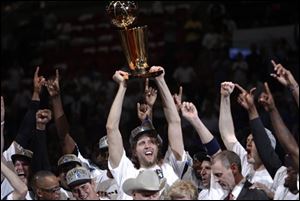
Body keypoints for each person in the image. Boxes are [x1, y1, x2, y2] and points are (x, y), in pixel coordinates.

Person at [106, 66, 186, 199]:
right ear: (134, 151)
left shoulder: (169, 167)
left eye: (152, 142)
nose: (148, 145)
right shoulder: (126, 170)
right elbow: (111, 128)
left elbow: (175, 123)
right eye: (142, 143)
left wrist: (160, 80)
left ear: (158, 147)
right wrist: (122, 86)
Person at [219, 81, 274, 188]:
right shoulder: (246, 161)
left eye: (253, 141)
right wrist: (225, 97)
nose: (248, 144)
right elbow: (228, 135)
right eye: (248, 140)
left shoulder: (273, 178)